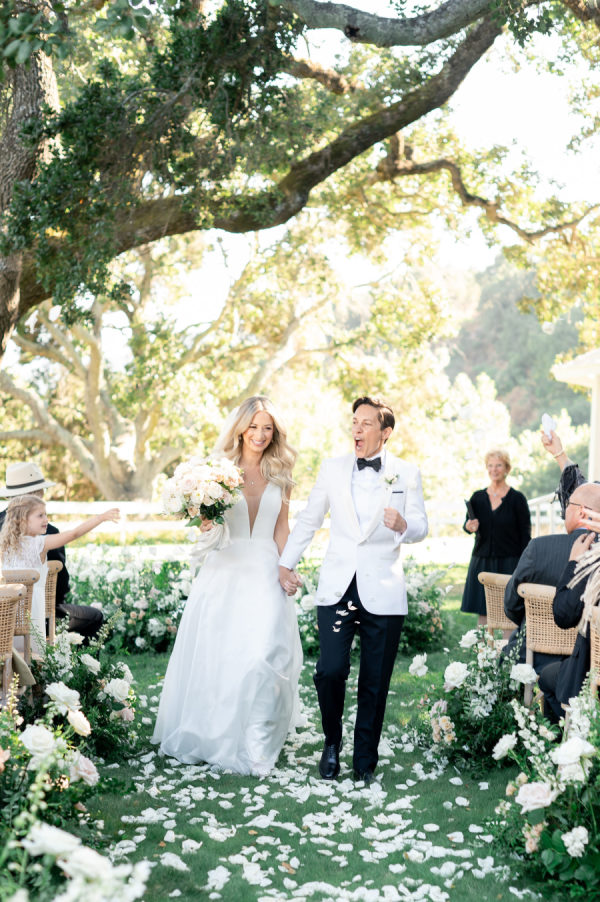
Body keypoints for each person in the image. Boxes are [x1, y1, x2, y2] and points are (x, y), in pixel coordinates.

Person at [279, 396, 428, 784]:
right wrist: (286, 563)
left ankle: (365, 760)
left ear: (386, 432)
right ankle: (332, 743)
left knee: (374, 682)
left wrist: (402, 525)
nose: (357, 430)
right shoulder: (331, 469)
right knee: (330, 670)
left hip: (384, 589)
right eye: (354, 422)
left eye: (365, 424)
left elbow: (421, 526)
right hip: (338, 587)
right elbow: (309, 520)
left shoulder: (407, 473)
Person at [152, 397, 303, 776]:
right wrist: (204, 521)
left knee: (265, 654)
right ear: (240, 428)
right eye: (254, 427)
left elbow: (282, 526)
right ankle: (216, 734)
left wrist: (288, 567)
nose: (260, 435)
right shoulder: (217, 472)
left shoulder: (282, 471)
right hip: (226, 570)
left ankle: (256, 742)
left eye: (268, 428)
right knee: (222, 654)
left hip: (266, 568)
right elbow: (208, 522)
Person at [0, 494, 119, 654]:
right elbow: (74, 534)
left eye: (46, 515)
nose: (46, 520)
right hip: (33, 617)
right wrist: (100, 518)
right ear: (23, 520)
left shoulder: (4, 546)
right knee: (37, 654)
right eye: (40, 515)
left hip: (8, 620)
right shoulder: (39, 544)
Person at [0, 462, 104, 640]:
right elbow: (60, 586)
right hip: (38, 615)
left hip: (3, 616)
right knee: (95, 617)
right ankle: (77, 665)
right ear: (35, 495)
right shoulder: (47, 533)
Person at [503, 482, 600, 672]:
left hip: (533, 655)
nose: (564, 512)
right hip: (590, 662)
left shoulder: (538, 548)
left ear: (581, 512)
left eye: (568, 505)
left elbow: (512, 603)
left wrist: (535, 624)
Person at [538, 501, 600, 723]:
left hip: (591, 673)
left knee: (546, 677)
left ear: (581, 511)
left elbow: (564, 614)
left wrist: (574, 562)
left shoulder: (593, 557)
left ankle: (572, 734)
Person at [461, 449, 531, 625]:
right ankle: (484, 651)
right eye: (490, 465)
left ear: (507, 468)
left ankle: (507, 650)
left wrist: (525, 565)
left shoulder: (517, 499)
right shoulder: (477, 497)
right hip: (482, 560)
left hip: (510, 561)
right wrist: (469, 527)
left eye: (499, 465)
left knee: (508, 609)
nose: (494, 469)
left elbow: (525, 534)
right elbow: (468, 524)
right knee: (483, 608)